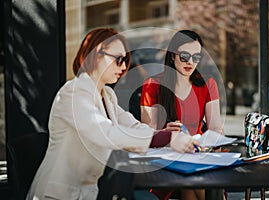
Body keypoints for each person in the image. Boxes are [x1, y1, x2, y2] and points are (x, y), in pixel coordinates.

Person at [26, 28, 199, 200]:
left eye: (126, 60)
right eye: (119, 59)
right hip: (61, 195)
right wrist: (167, 139)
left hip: (94, 191)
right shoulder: (73, 93)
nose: (124, 66)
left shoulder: (107, 95)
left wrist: (166, 135)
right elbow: (105, 133)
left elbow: (133, 126)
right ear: (95, 54)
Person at [140, 30, 224, 200]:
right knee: (193, 183)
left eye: (196, 57)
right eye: (184, 56)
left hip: (199, 153)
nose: (190, 62)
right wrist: (164, 133)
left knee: (192, 183)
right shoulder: (153, 84)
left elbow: (216, 127)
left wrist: (208, 144)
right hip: (167, 157)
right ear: (172, 56)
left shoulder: (208, 83)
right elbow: (147, 132)